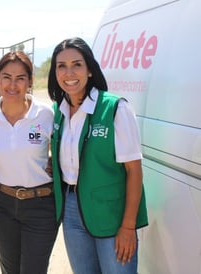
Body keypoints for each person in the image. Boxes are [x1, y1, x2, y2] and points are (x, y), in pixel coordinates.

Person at [48, 37, 148, 274]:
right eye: (61, 66)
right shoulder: (58, 111)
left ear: (90, 70)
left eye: (77, 64)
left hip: (111, 213)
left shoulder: (115, 109)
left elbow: (134, 170)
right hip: (71, 208)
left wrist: (127, 227)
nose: (69, 72)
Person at [0, 51, 58, 274]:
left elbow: (63, 153)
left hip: (41, 206)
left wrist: (52, 162)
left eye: (20, 78)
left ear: (30, 82)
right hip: (1, 204)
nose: (13, 85)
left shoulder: (46, 114)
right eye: (7, 77)